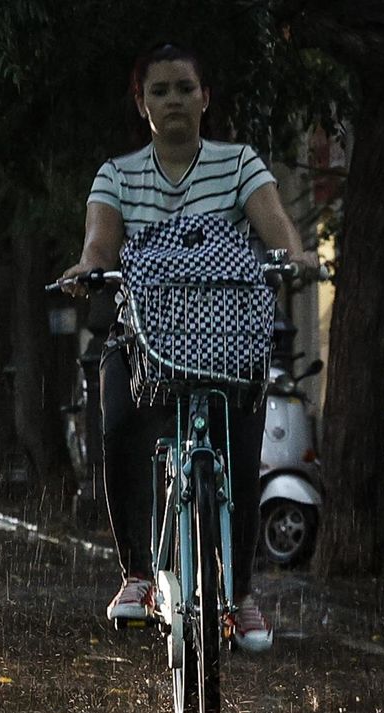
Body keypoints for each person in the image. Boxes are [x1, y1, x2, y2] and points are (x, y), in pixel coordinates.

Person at [59, 41, 317, 653]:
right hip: (142, 336)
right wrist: (87, 267)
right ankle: (137, 577)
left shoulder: (239, 165)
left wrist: (299, 257)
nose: (173, 99)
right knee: (118, 422)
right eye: (159, 90)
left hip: (230, 338)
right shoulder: (116, 175)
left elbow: (277, 229)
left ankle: (244, 594)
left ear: (205, 98)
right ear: (142, 104)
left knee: (245, 446)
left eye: (184, 88)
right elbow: (101, 245)